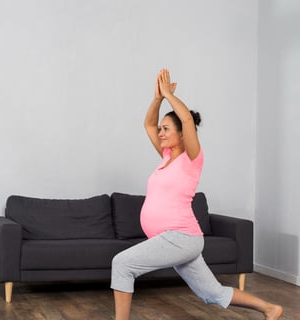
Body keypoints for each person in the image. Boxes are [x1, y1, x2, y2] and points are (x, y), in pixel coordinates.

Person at [110, 69, 283, 320]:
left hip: (180, 238)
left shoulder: (192, 159)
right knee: (212, 292)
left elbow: (188, 121)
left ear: (181, 134)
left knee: (122, 263)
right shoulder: (166, 158)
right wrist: (157, 98)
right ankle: (270, 308)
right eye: (161, 129)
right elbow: (148, 123)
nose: (160, 133)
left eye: (166, 129)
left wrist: (170, 94)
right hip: (176, 241)